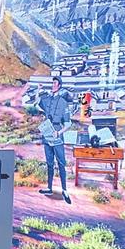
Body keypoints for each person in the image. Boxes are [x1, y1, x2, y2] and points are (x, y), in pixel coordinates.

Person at [38, 76, 72, 204]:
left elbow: (68, 124)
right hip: (47, 133)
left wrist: (59, 132)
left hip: (57, 133)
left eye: (55, 83)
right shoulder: (47, 100)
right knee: (49, 163)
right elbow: (37, 104)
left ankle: (64, 190)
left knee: (61, 163)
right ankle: (49, 187)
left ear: (59, 86)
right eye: (52, 83)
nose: (53, 85)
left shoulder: (63, 102)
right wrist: (39, 90)